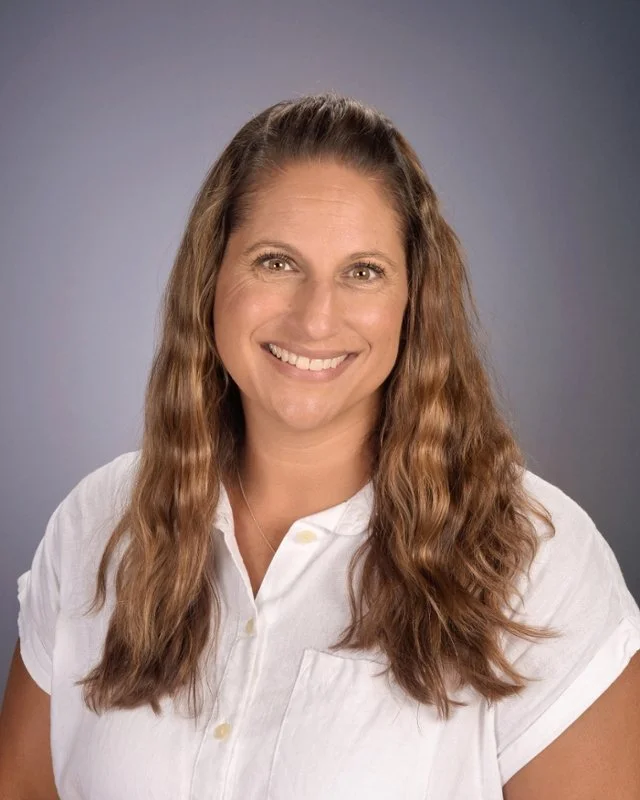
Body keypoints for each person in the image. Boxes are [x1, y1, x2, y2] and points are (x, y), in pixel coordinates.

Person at [0, 92, 639, 800]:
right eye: (276, 263)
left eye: (363, 272)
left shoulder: (536, 562)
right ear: (211, 279)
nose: (315, 317)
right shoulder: (95, 527)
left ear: (413, 300)